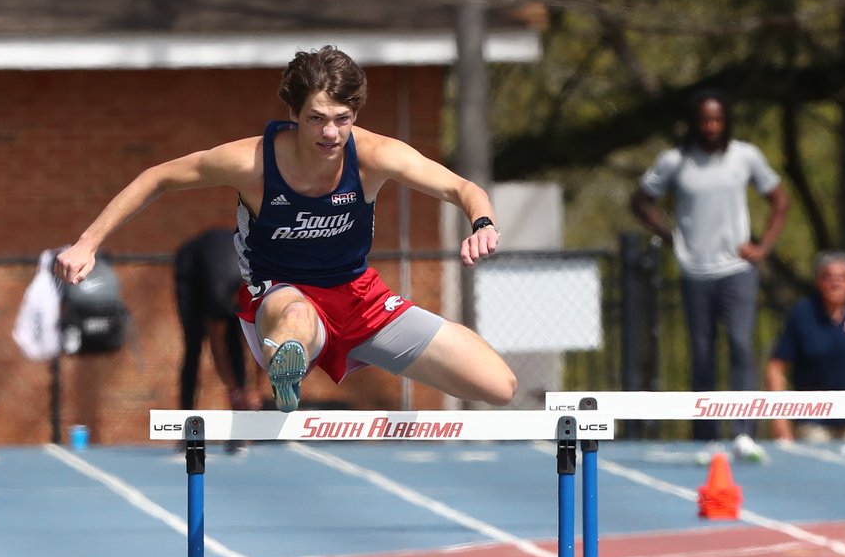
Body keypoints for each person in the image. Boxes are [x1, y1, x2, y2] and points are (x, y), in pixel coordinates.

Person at [55, 45, 516, 412]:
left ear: (355, 114)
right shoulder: (252, 162)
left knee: (498, 386)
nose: (330, 134)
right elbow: (158, 177)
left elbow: (461, 187)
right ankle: (286, 371)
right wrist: (88, 242)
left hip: (357, 295)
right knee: (296, 317)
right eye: (316, 119)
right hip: (279, 292)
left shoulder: (376, 155)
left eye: (342, 119)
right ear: (294, 114)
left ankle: (295, 363)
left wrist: (482, 223)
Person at [631, 88, 789, 461]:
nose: (712, 126)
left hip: (736, 269)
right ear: (694, 123)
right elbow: (640, 201)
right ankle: (707, 436)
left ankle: (743, 432)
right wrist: (671, 235)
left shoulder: (745, 156)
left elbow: (779, 200)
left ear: (726, 121)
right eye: (705, 120)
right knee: (702, 353)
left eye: (718, 119)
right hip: (695, 270)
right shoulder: (675, 161)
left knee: (739, 345)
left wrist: (762, 246)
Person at [765, 250, 845, 443]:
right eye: (828, 276)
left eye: (842, 277)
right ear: (818, 280)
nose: (836, 282)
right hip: (813, 421)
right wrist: (780, 420)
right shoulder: (802, 314)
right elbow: (776, 367)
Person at [174, 227, 260, 412]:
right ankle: (186, 420)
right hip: (191, 269)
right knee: (194, 346)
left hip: (226, 257)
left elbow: (262, 346)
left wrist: (256, 390)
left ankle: (240, 423)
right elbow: (217, 349)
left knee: (236, 342)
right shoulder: (218, 295)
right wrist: (235, 391)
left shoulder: (261, 290)